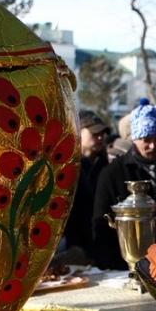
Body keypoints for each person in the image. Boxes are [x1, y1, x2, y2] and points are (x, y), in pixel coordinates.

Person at [92, 101, 156, 270]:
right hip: (124, 263)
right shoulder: (113, 173)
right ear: (135, 139)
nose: (153, 146)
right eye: (146, 140)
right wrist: (108, 266)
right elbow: (101, 223)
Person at [60, 110, 111, 264]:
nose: (100, 137)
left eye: (102, 133)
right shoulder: (68, 168)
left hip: (102, 244)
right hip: (76, 245)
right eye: (95, 133)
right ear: (78, 133)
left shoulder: (108, 167)